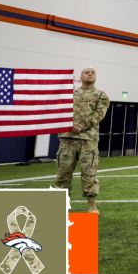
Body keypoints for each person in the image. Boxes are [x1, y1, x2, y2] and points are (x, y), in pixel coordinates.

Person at [54, 67, 110, 213]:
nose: (90, 74)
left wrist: (82, 126)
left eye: (93, 72)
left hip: (88, 140)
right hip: (67, 138)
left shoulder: (101, 95)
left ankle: (91, 205)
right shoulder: (70, 94)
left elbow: (99, 115)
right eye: (87, 72)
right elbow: (60, 111)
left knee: (89, 173)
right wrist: (69, 126)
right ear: (80, 76)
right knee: (63, 173)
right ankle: (61, 205)